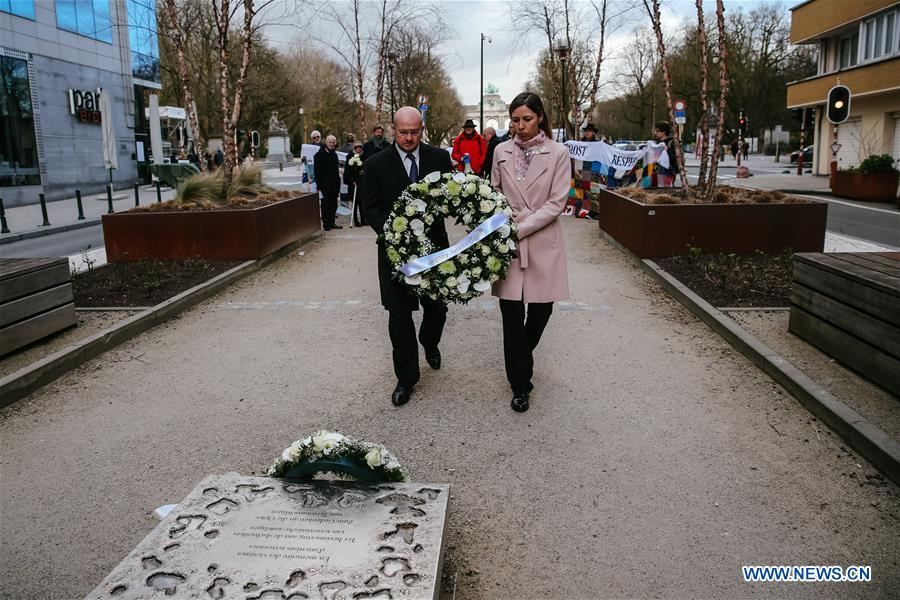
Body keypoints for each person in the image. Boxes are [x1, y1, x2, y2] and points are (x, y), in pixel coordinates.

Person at [362, 106, 453, 407]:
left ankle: (429, 341)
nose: (409, 138)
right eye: (403, 132)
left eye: (415, 132)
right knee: (399, 315)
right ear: (393, 129)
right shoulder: (375, 164)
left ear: (422, 129)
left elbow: (450, 198)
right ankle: (406, 378)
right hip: (393, 252)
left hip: (435, 250)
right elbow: (370, 207)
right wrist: (395, 234)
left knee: (437, 308)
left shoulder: (440, 158)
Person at [489, 92, 570, 413]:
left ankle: (521, 354)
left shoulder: (559, 153)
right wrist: (502, 219)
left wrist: (519, 225)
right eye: (515, 120)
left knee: (540, 311)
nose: (520, 126)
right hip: (506, 244)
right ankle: (520, 384)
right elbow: (493, 192)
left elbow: (556, 202)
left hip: (541, 241)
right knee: (511, 315)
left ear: (540, 119)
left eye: (527, 119)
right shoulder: (500, 151)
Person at [314, 135, 341, 230]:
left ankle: (332, 222)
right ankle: (326, 224)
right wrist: (319, 184)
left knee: (334, 205)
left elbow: (336, 171)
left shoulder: (334, 154)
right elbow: (317, 171)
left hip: (334, 185)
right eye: (330, 142)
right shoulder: (319, 155)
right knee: (325, 205)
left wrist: (338, 185)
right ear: (326, 142)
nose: (331, 144)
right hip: (324, 185)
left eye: (333, 142)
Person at [344, 140, 366, 226]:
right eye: (356, 147)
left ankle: (363, 219)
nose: (358, 149)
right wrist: (351, 180)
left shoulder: (364, 156)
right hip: (354, 183)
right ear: (354, 148)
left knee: (362, 202)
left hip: (362, 182)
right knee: (355, 202)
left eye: (360, 147)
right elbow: (347, 170)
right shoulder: (350, 157)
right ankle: (356, 220)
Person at [653, 121, 677, 187]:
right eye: (655, 131)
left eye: (657, 131)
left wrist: (667, 150)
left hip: (668, 170)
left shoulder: (672, 143)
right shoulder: (657, 143)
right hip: (657, 170)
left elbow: (675, 158)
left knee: (666, 187)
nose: (655, 133)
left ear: (663, 132)